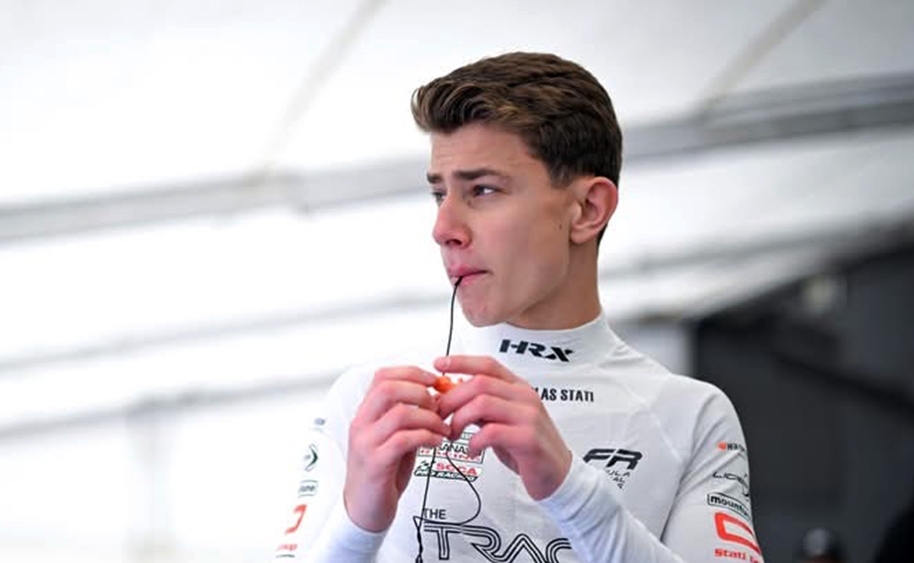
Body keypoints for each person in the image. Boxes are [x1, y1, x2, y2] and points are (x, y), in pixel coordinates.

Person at [270, 52, 762, 563]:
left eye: (482, 190)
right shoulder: (368, 403)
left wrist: (571, 491)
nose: (442, 229)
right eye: (439, 194)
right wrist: (356, 527)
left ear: (587, 210)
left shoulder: (692, 416)